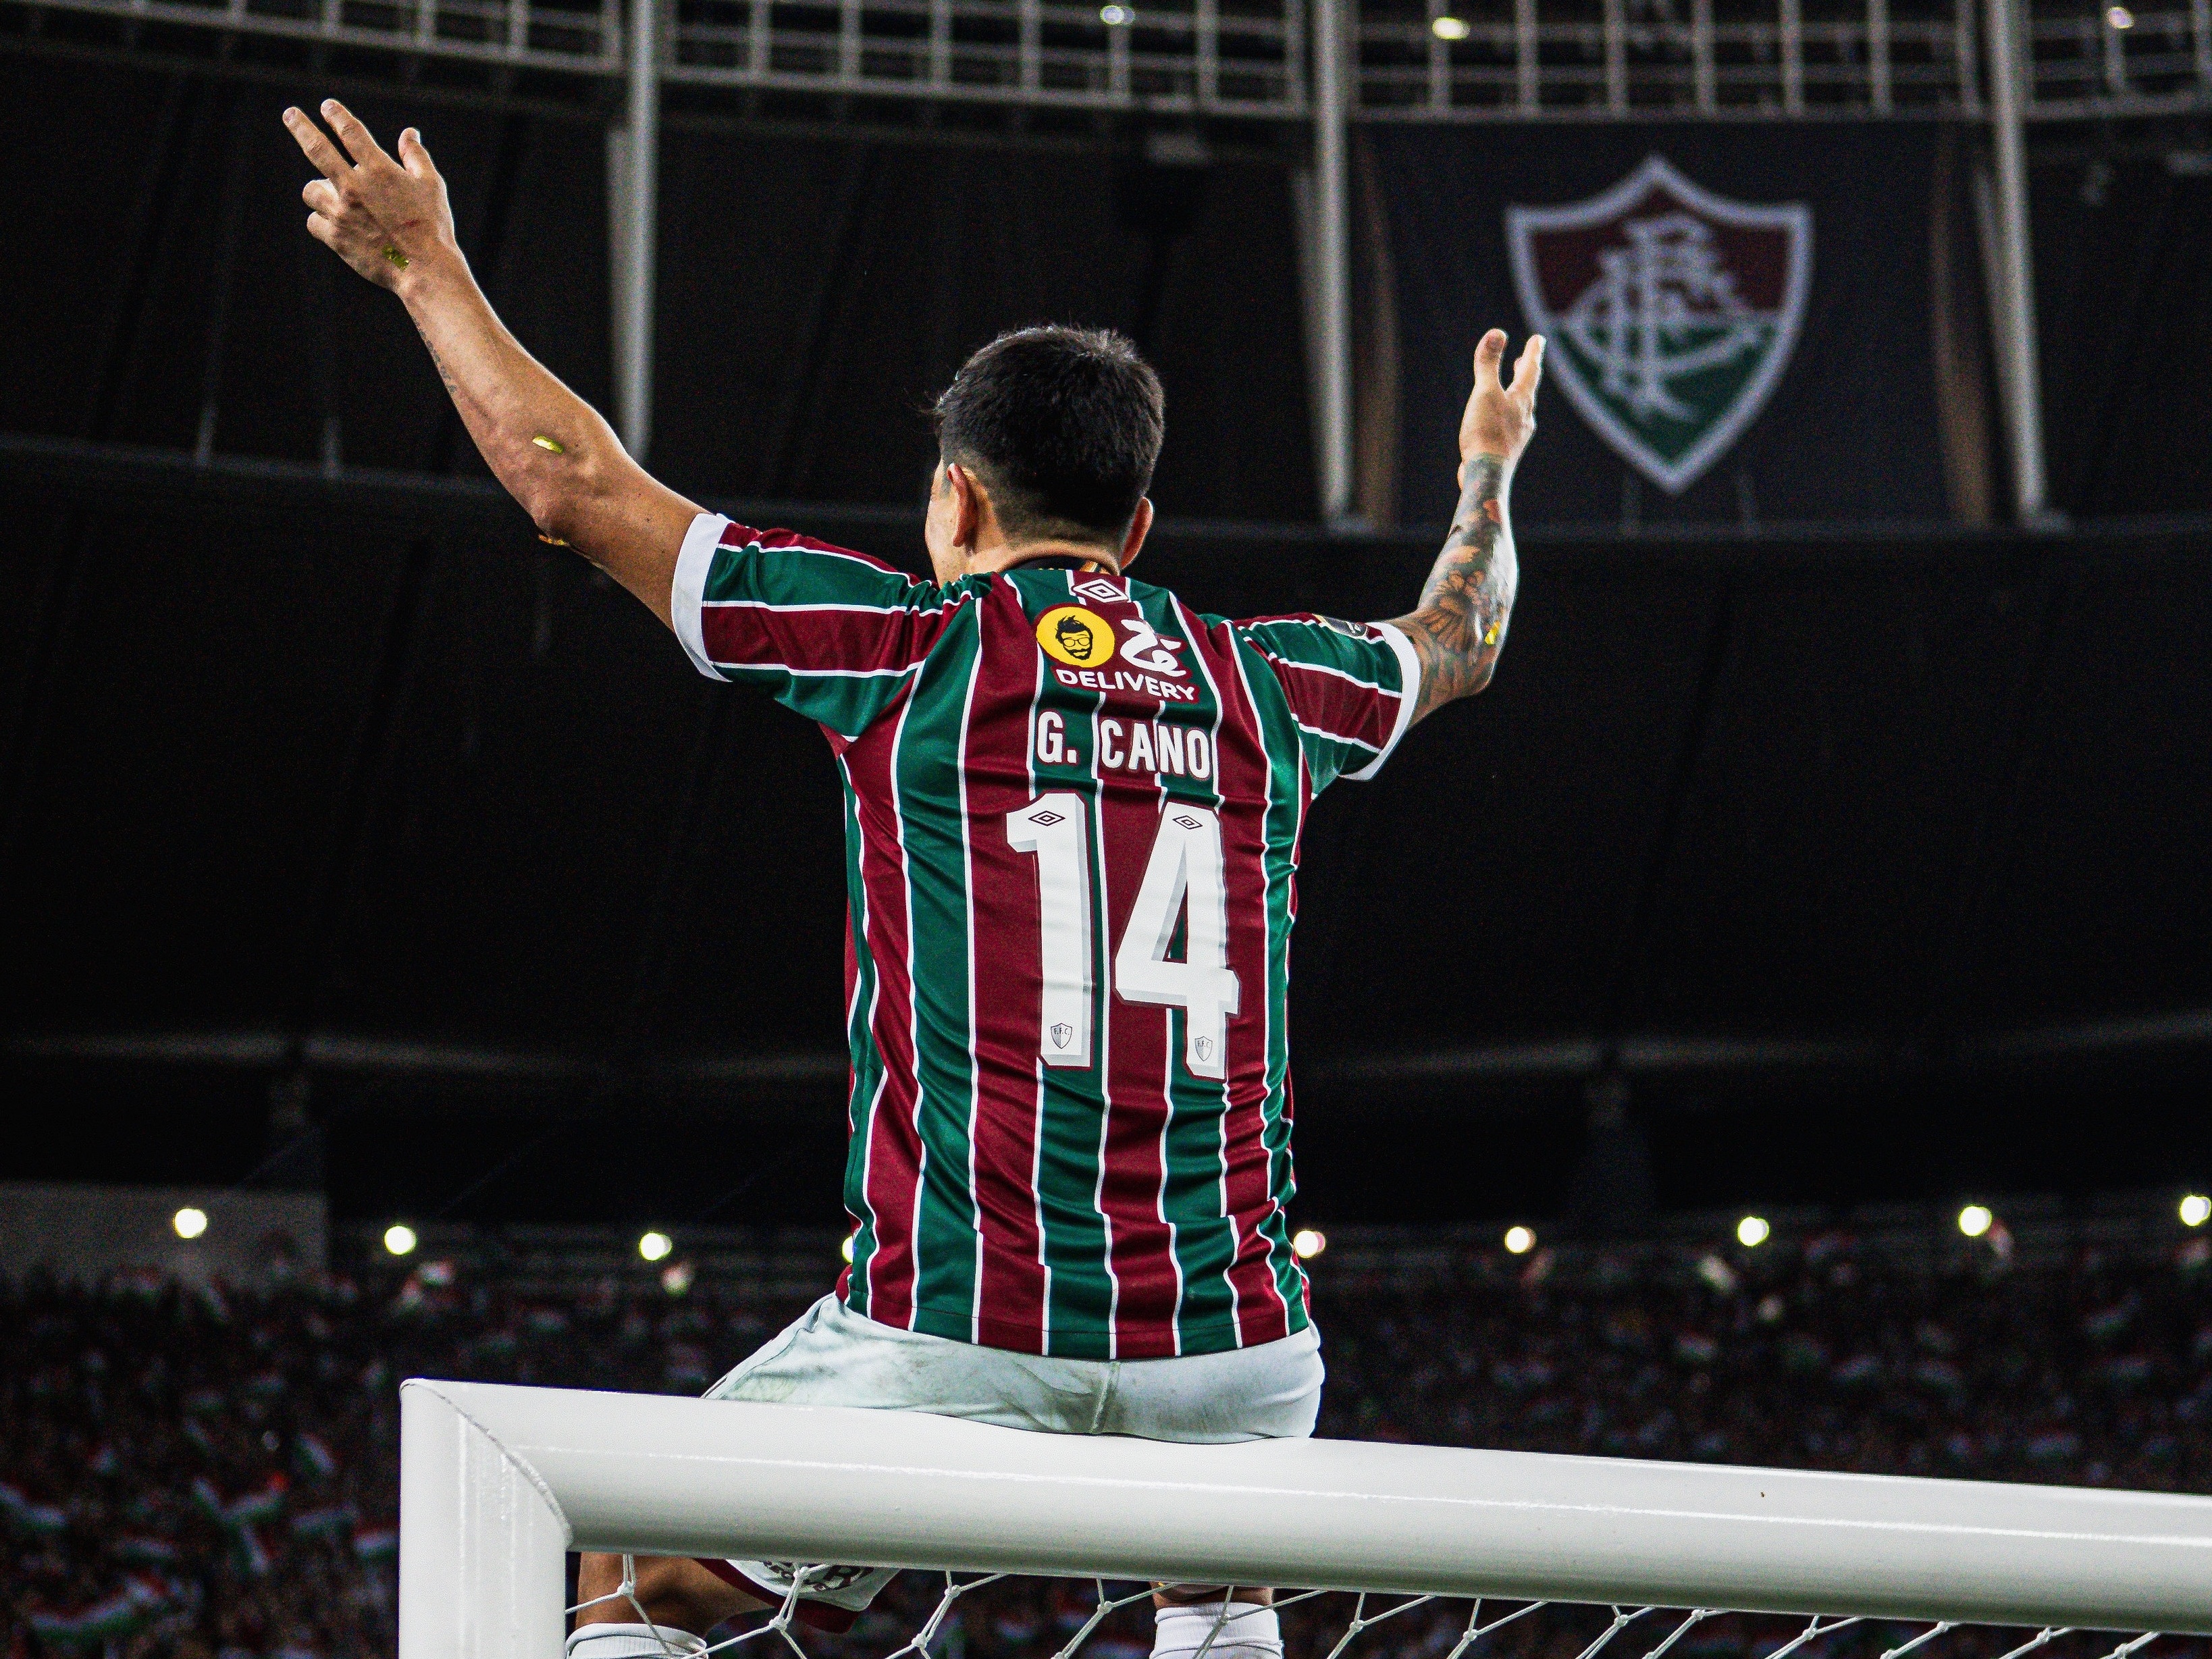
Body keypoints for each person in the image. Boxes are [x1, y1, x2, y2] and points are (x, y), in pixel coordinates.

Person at [284, 98, 1543, 1659]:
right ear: (1135, 529)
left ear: (954, 498)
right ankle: (1218, 1614)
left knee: (630, 1559)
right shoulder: (1271, 687)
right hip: (1241, 1348)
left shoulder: (906, 651)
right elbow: (1462, 639)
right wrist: (1488, 470)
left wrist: (428, 272)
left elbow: (574, 487)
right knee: (1216, 1568)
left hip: (961, 1331)